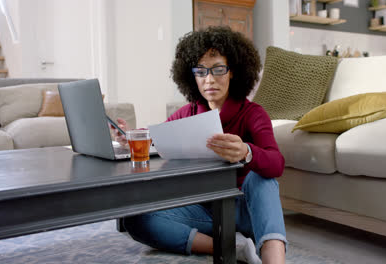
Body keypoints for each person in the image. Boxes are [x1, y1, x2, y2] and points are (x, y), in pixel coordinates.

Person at [112, 26, 287, 264]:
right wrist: (128, 137)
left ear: (233, 72)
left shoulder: (253, 113)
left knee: (262, 178)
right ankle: (233, 249)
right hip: (205, 210)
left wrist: (247, 152)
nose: (209, 79)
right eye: (201, 71)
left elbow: (276, 164)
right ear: (191, 75)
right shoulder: (187, 112)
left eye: (218, 70)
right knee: (135, 218)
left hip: (246, 209)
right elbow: (157, 136)